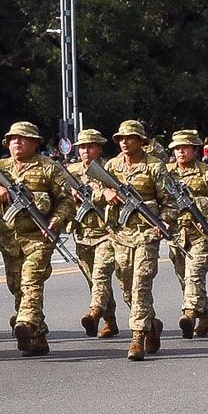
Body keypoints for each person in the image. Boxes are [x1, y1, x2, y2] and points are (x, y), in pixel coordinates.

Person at [0, 122, 74, 357]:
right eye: (13, 138)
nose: (17, 142)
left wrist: (56, 220)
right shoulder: (0, 167)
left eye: (23, 138)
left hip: (38, 238)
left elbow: (66, 201)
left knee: (31, 281)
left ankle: (24, 323)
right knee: (17, 287)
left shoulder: (49, 168)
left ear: (35, 142)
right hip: (9, 239)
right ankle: (38, 336)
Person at [98, 120, 173, 361]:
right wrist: (106, 192)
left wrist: (166, 220)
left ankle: (137, 338)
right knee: (127, 289)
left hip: (147, 234)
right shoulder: (111, 166)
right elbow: (94, 189)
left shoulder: (155, 166)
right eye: (121, 138)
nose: (124, 142)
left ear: (142, 141)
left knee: (141, 286)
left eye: (129, 138)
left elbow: (169, 200)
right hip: (120, 235)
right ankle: (151, 324)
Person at [165, 130, 208, 338]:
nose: (180, 151)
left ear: (194, 149)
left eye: (185, 147)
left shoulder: (207, 173)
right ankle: (205, 316)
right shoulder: (166, 173)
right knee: (185, 279)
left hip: (201, 234)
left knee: (194, 275)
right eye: (176, 148)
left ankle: (189, 315)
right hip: (176, 234)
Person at [69, 129, 119, 339]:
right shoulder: (72, 172)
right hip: (82, 234)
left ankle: (94, 312)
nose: (85, 151)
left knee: (101, 275)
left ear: (99, 148)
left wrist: (103, 193)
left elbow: (119, 195)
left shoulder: (109, 170)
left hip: (106, 233)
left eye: (90, 146)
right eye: (82, 147)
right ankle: (110, 320)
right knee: (94, 280)